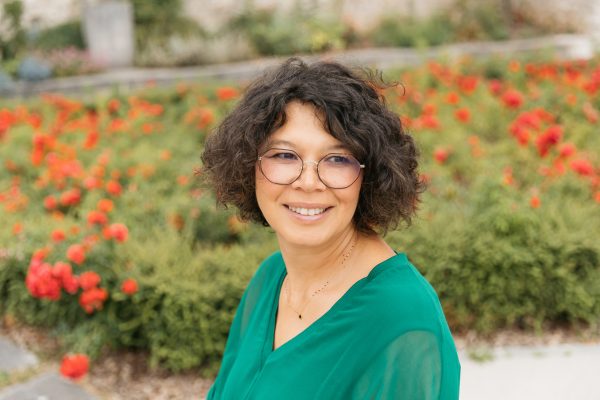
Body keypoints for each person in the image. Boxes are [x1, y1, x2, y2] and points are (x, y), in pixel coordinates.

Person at [201, 57, 460, 399]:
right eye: (284, 156)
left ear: (369, 176)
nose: (308, 182)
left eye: (337, 159)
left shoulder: (403, 322)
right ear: (248, 165)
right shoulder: (270, 279)